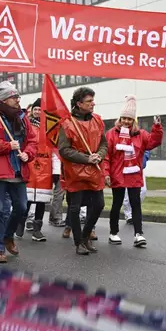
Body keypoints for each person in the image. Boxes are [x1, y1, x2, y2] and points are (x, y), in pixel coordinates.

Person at [0, 81, 37, 263]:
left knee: (21, 207)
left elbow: (32, 140)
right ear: (4, 100)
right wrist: (6, 146)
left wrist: (28, 153)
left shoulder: (22, 117)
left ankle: (8, 235)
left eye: (17, 97)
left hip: (18, 170)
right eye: (14, 97)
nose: (18, 100)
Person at [105, 95, 162, 247]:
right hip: (117, 174)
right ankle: (113, 233)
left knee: (135, 203)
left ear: (133, 120)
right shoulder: (111, 134)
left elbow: (153, 142)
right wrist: (106, 174)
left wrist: (156, 127)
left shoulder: (141, 134)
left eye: (129, 119)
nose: (126, 121)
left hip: (134, 174)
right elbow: (107, 156)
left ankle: (139, 234)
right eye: (124, 118)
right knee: (116, 204)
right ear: (120, 117)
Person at [58, 86, 107, 255]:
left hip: (94, 169)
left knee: (99, 204)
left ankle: (86, 236)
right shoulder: (67, 123)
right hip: (75, 171)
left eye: (93, 100)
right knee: (75, 207)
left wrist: (99, 155)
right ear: (79, 104)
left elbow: (104, 143)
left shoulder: (98, 121)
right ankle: (78, 242)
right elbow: (64, 150)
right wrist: (86, 158)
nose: (93, 103)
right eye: (89, 101)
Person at [17, 97, 52, 242]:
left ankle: (37, 230)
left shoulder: (50, 128)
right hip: (29, 165)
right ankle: (20, 224)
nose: (38, 112)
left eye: (40, 110)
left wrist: (55, 171)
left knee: (41, 201)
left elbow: (54, 149)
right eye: (36, 109)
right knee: (28, 199)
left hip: (45, 168)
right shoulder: (25, 125)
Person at [124, 150, 150, 222]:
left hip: (139, 167)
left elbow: (147, 147)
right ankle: (129, 215)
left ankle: (134, 211)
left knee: (143, 190)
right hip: (128, 166)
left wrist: (145, 157)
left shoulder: (141, 138)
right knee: (127, 192)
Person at [48, 151, 66, 227]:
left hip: (61, 168)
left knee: (60, 194)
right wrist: (56, 172)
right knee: (59, 194)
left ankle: (54, 217)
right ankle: (55, 217)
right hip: (59, 169)